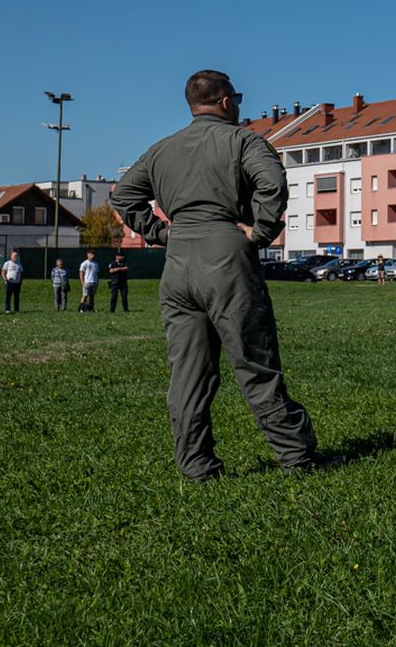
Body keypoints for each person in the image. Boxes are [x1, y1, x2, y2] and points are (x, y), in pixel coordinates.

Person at [113, 69, 339, 481]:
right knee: (255, 363)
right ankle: (296, 458)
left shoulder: (162, 149)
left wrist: (162, 232)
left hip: (178, 265)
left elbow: (123, 195)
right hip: (227, 257)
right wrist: (262, 230)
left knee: (188, 374)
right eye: (235, 98)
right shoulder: (243, 140)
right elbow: (272, 182)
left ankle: (197, 467)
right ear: (225, 102)